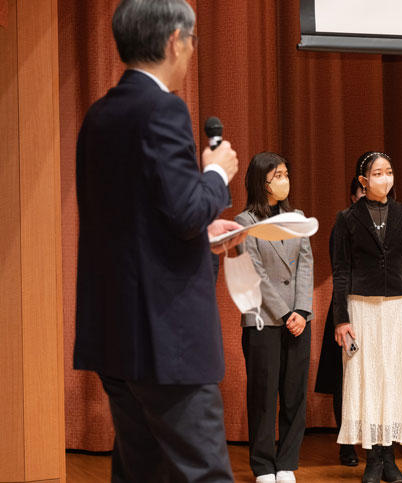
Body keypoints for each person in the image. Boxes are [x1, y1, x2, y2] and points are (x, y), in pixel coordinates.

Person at [73, 1, 244, 481]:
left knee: (141, 472)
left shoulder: (99, 115)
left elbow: (132, 221)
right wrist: (216, 173)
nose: (191, 51)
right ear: (174, 40)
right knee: (203, 473)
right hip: (167, 338)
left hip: (116, 331)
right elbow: (186, 211)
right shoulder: (163, 108)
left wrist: (202, 235)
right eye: (191, 41)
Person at [332, 152, 402, 483]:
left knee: (393, 377)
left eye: (389, 172)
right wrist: (341, 319)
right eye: (377, 173)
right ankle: (372, 457)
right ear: (363, 181)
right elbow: (341, 272)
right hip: (361, 306)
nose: (385, 178)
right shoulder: (347, 219)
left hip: (398, 306)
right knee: (366, 377)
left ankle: (389, 457)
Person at [235, 152, 314, 483]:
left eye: (285, 174)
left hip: (298, 319)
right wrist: (284, 312)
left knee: (294, 395)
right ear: (260, 182)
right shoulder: (245, 222)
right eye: (276, 176)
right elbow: (255, 274)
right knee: (264, 396)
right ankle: (264, 466)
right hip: (263, 320)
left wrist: (302, 311)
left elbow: (306, 263)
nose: (284, 181)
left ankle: (287, 464)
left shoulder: (297, 218)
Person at [314, 175, 365, 467]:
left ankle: (376, 445)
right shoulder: (343, 225)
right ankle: (346, 444)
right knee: (343, 379)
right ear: (353, 197)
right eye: (362, 192)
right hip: (346, 308)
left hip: (378, 310)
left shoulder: (392, 223)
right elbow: (340, 269)